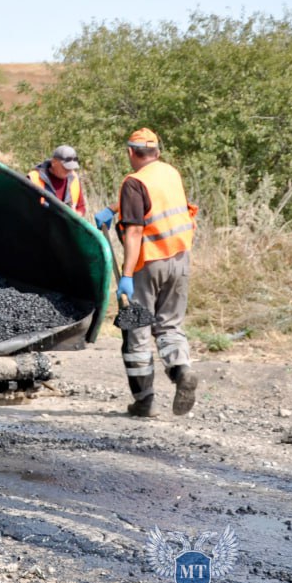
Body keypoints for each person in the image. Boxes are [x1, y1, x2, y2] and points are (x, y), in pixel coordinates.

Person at [95, 129, 197, 418]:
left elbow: (136, 229)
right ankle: (181, 372)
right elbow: (156, 200)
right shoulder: (169, 172)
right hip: (180, 258)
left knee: (136, 330)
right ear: (157, 152)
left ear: (130, 153)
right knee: (169, 326)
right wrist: (114, 208)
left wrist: (126, 275)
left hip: (148, 264)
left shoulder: (133, 182)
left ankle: (144, 401)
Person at [27, 144, 87, 215]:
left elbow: (81, 207)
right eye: (66, 167)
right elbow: (22, 208)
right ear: (54, 162)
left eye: (71, 168)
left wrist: (76, 215)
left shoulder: (74, 179)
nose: (69, 171)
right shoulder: (34, 178)